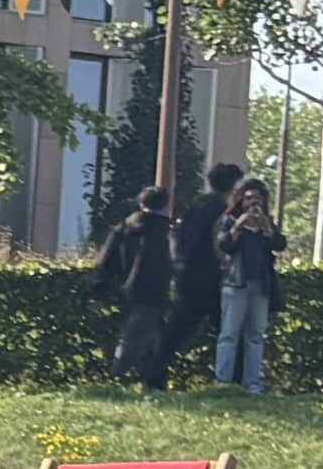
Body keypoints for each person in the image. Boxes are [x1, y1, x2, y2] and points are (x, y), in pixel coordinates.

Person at [96, 184, 177, 391]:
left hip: (127, 288)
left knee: (152, 336)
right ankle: (117, 378)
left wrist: (102, 287)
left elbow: (107, 260)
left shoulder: (124, 227)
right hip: (156, 289)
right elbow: (173, 262)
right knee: (138, 338)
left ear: (141, 204)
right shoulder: (166, 232)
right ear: (165, 205)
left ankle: (155, 383)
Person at [214, 173, 283, 395]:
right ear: (240, 201)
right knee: (229, 335)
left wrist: (266, 228)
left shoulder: (266, 223)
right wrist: (238, 227)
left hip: (260, 285)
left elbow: (280, 244)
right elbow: (224, 246)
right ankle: (223, 381)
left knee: (255, 336)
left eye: (258, 199)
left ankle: (253, 383)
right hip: (236, 284)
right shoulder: (231, 221)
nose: (254, 203)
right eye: (249, 199)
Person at [167, 160, 228, 376]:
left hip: (187, 270)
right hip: (208, 274)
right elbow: (216, 239)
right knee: (226, 328)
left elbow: (179, 233)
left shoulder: (197, 204)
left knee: (180, 326)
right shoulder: (220, 208)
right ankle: (232, 376)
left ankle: (155, 372)